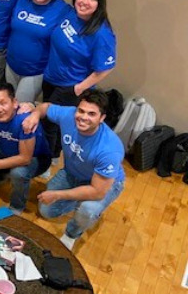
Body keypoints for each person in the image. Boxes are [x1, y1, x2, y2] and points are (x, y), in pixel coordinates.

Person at [22, 89, 125, 250]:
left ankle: (72, 233)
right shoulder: (68, 115)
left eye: (91, 114)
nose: (83, 117)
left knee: (87, 210)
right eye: (81, 111)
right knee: (46, 210)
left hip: (102, 185)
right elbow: (45, 107)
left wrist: (58, 194)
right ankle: (78, 200)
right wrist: (34, 115)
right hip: (73, 173)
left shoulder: (109, 149)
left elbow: (97, 191)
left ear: (102, 118)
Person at [42, 0, 116, 156]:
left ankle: (47, 160)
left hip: (70, 87)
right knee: (50, 122)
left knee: (51, 124)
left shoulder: (102, 34)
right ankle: (48, 154)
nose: (85, 1)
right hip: (51, 78)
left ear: (99, 4)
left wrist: (78, 89)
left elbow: (105, 68)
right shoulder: (70, 14)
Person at [0, 82, 52, 214]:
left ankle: (17, 207)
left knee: (18, 173)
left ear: (14, 102)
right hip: (5, 149)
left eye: (3, 103)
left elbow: (25, 159)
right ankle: (1, 172)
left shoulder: (25, 120)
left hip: (36, 158)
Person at [5, 0, 70, 103]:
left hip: (34, 72)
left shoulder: (62, 9)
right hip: (11, 65)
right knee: (9, 104)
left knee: (21, 110)